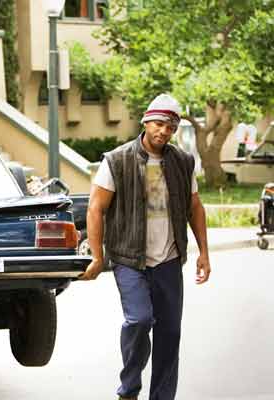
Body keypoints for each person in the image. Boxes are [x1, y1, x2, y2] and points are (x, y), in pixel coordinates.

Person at [80, 94, 211, 400]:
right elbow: (96, 208)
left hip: (169, 260)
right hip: (129, 259)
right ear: (146, 122)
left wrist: (204, 253)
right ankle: (129, 388)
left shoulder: (183, 162)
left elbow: (194, 207)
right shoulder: (117, 160)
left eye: (171, 127)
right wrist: (97, 256)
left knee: (170, 334)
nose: (164, 131)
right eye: (159, 124)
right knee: (138, 321)